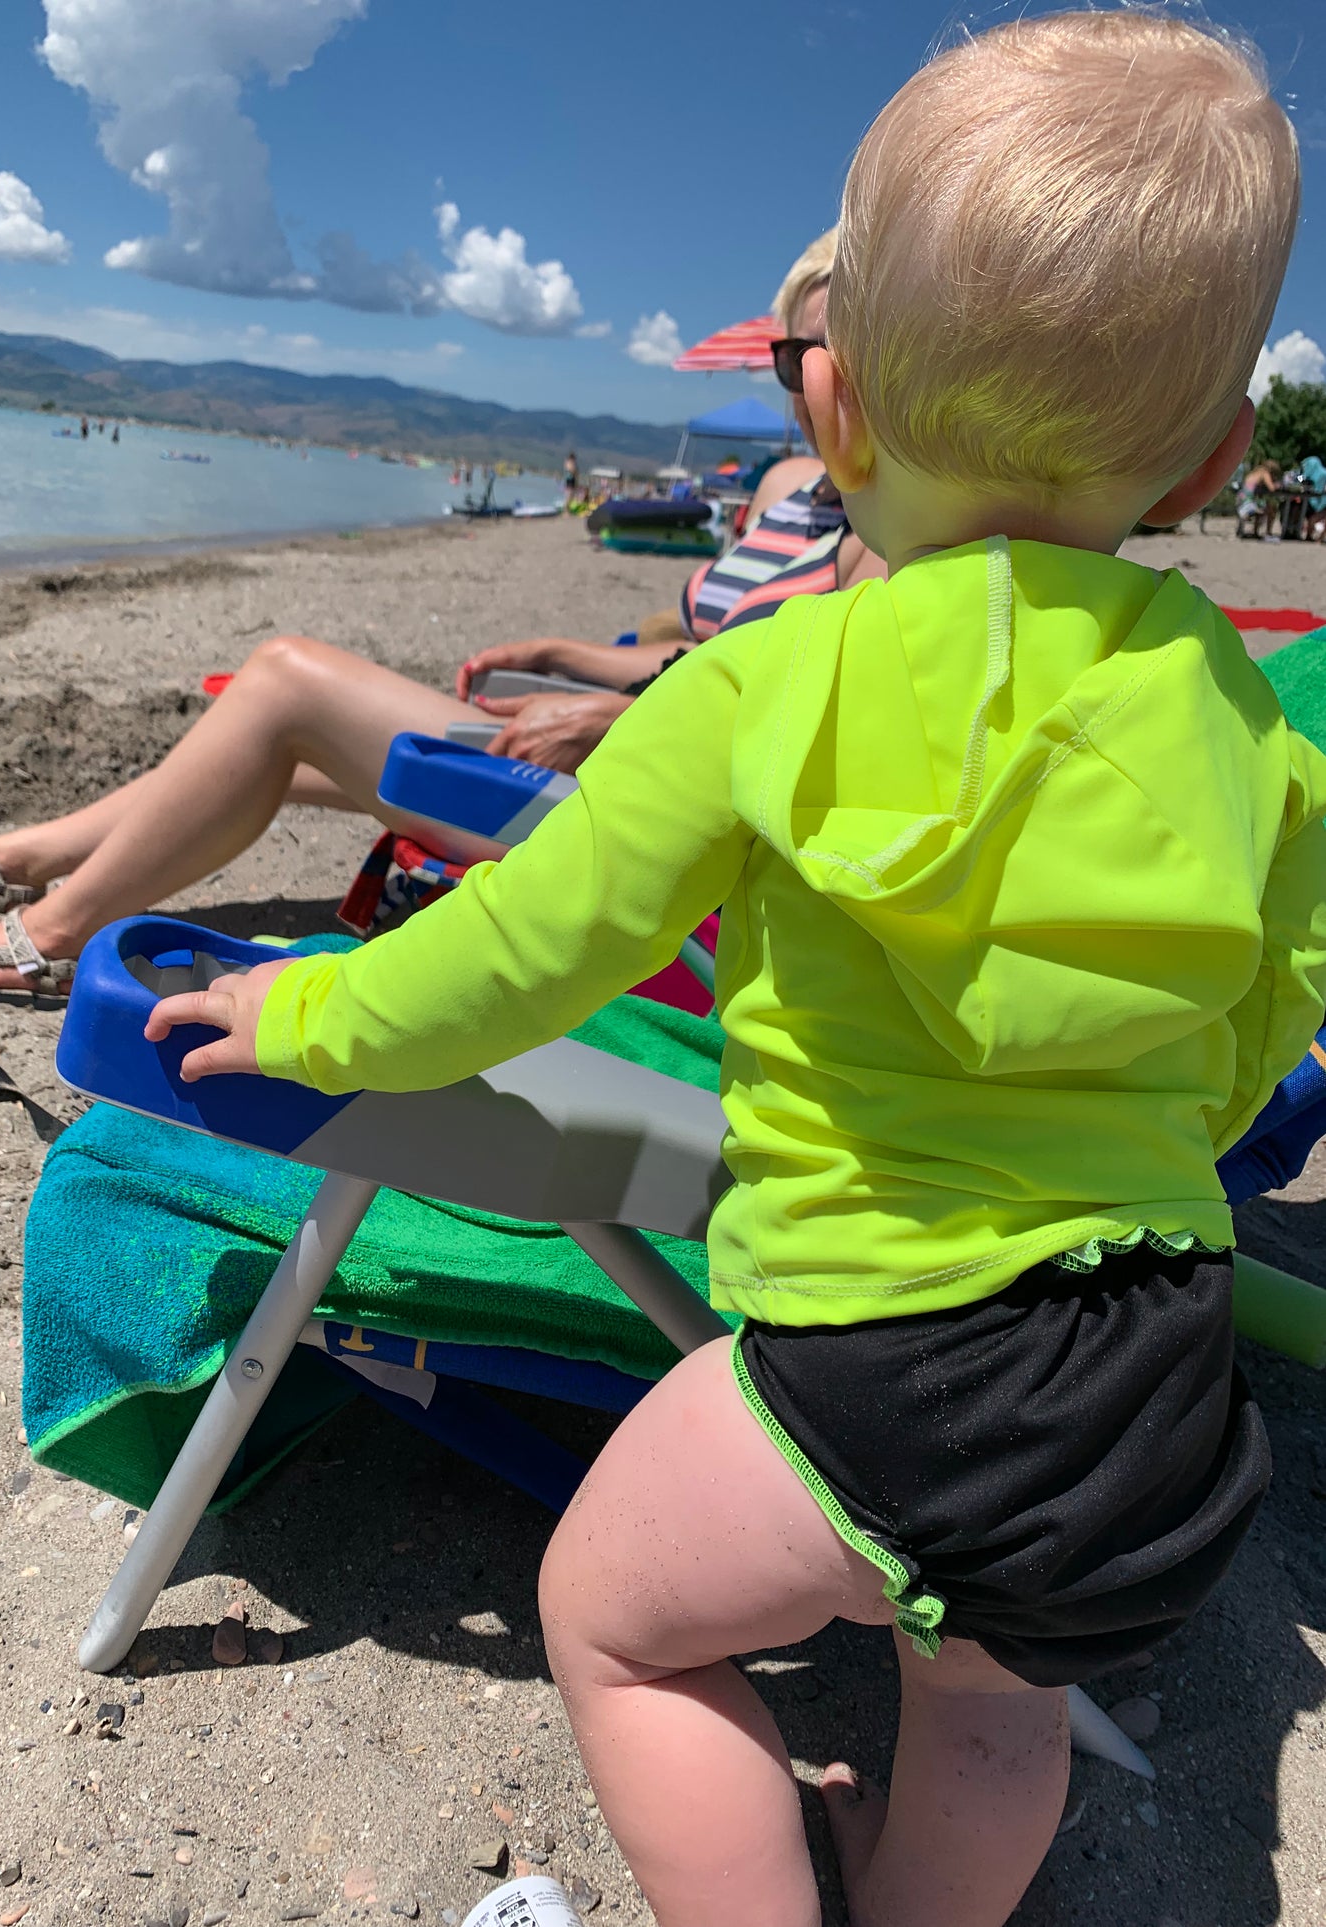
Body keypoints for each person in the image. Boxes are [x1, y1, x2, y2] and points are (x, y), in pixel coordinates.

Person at [142, 15, 1326, 1926]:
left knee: (612, 1619)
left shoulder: (765, 682)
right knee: (996, 1718)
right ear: (1207, 463)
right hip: (1160, 1372)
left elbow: (529, 950)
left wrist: (309, 1008)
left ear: (833, 410)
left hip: (895, 1359)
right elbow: (1280, 1005)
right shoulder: (1255, 732)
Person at [0, 237, 883, 995]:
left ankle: (56, 931)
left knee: (282, 680)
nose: (805, 383)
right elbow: (696, 655)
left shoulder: (889, 534)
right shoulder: (797, 489)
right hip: (641, 746)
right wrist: (563, 655)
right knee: (275, 744)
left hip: (650, 817)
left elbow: (827, 723)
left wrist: (619, 721)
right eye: (789, 355)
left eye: (825, 354)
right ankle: (35, 856)